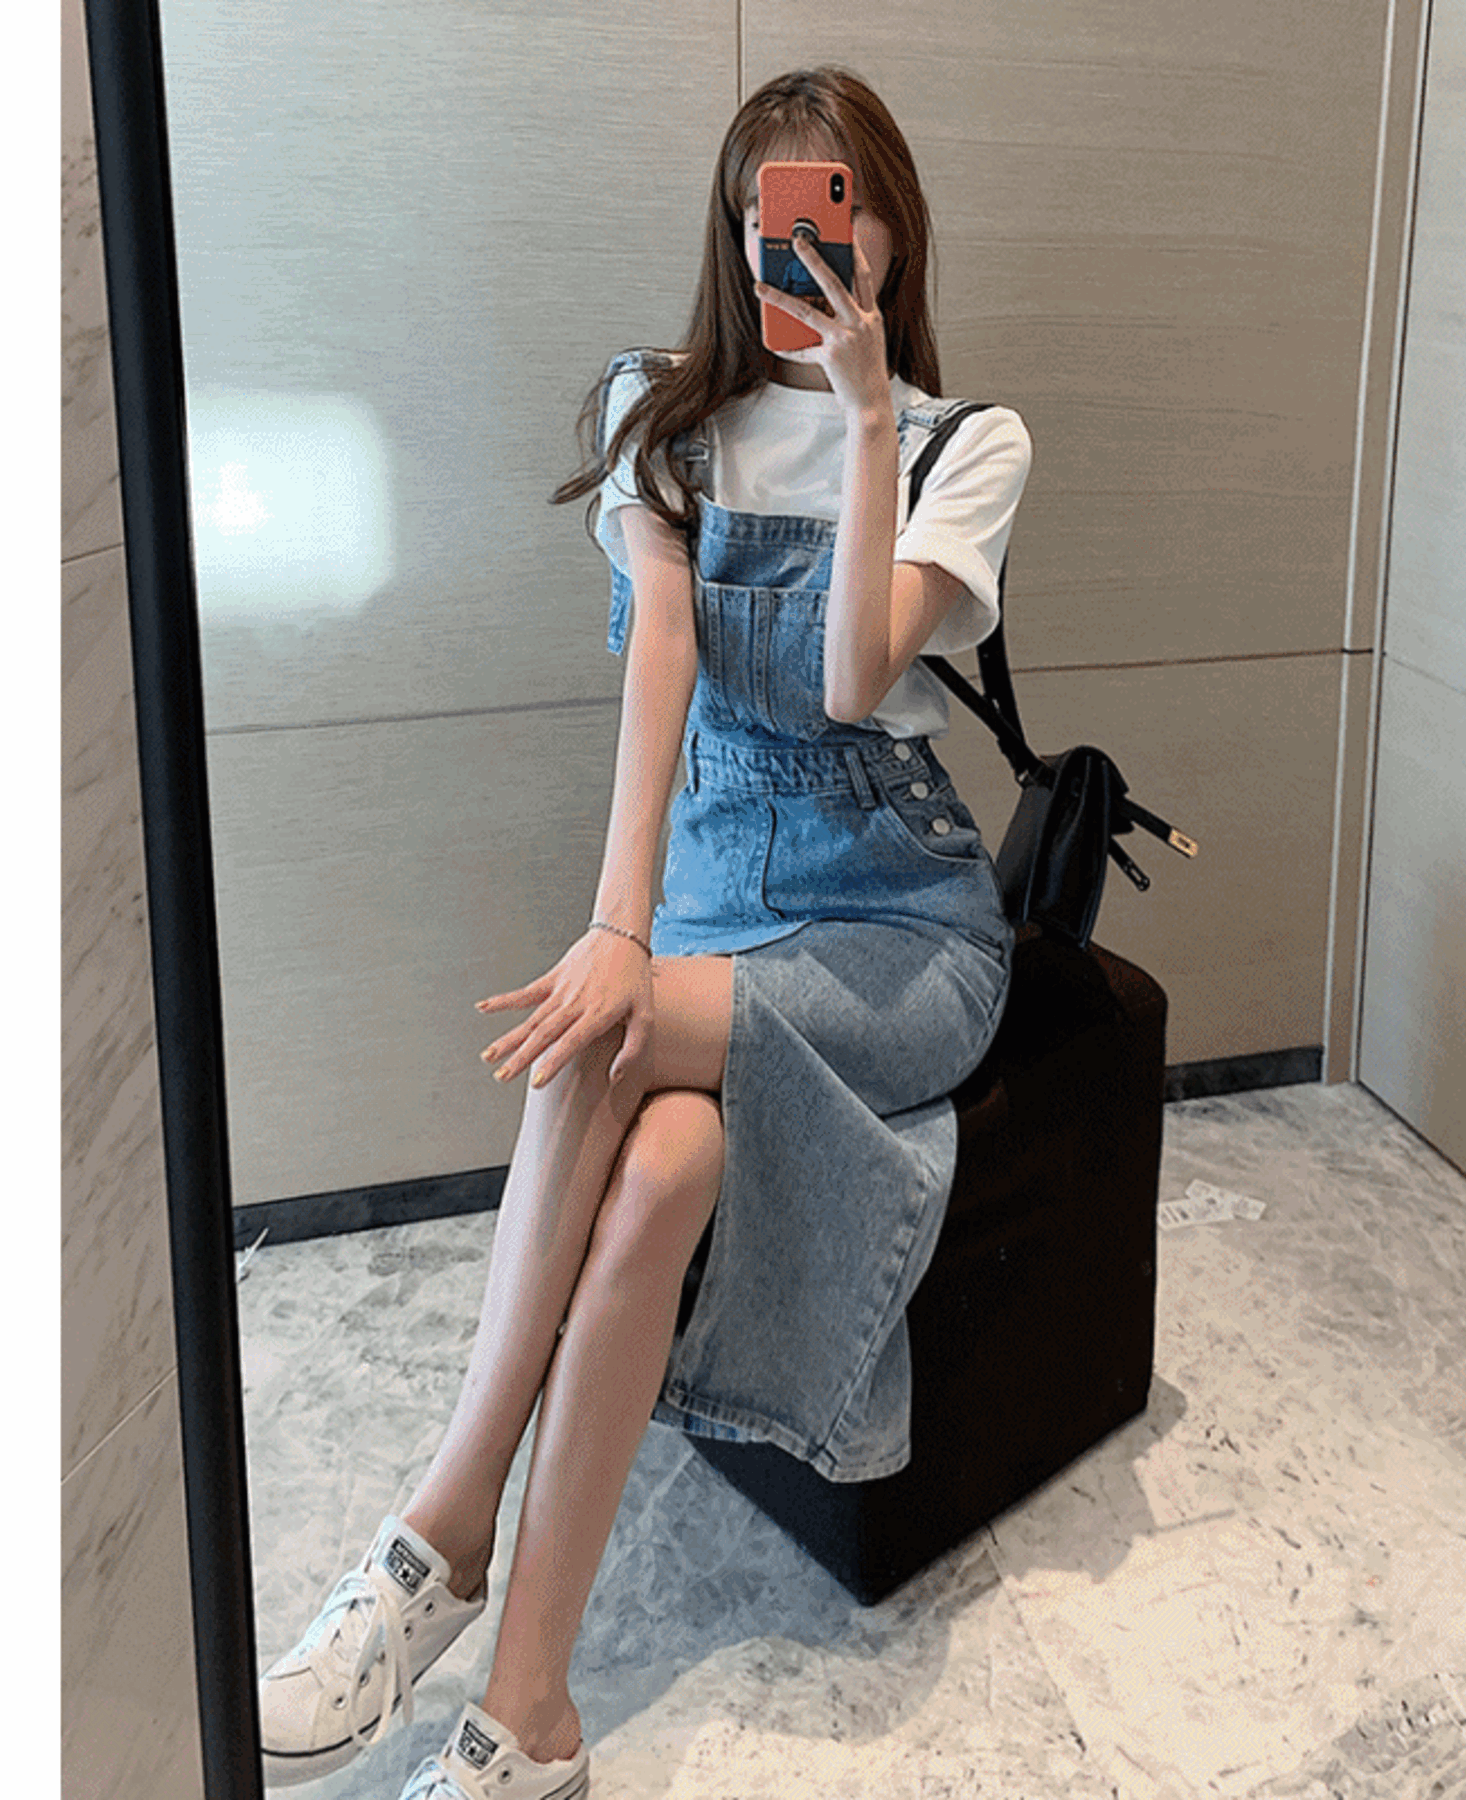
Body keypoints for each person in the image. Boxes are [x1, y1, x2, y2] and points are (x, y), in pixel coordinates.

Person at [256, 66, 1031, 1800]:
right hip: (713, 897)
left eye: (837, 209)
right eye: (771, 217)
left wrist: (867, 419)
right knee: (665, 1158)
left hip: (900, 926)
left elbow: (855, 681)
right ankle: (532, 1712)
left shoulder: (966, 443)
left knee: (602, 1050)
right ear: (733, 233)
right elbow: (662, 672)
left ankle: (444, 1526)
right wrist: (623, 921)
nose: (804, 245)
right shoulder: (657, 414)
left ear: (891, 227)